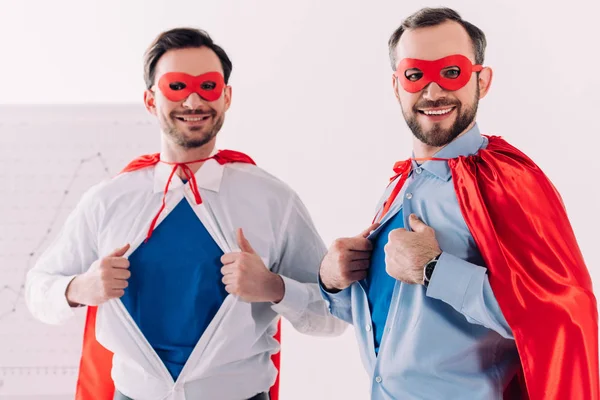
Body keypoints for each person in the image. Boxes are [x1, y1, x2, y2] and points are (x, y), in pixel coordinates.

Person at [26, 27, 346, 400]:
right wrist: (80, 288)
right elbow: (38, 289)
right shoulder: (108, 200)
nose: (193, 101)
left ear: (226, 97)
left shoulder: (273, 199)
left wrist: (274, 288)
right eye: (177, 86)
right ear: (150, 100)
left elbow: (335, 315)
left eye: (208, 86)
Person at [318, 7, 598, 400]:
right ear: (397, 86)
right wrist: (332, 281)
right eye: (415, 75)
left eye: (451, 73)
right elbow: (400, 322)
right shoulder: (402, 184)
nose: (433, 93)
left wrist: (434, 269)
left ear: (482, 81)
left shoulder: (507, 181)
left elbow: (558, 315)